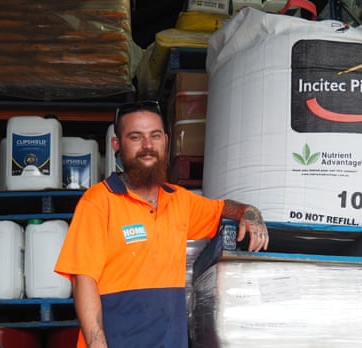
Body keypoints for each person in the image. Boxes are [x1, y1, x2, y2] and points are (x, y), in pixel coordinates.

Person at [54, 100, 269, 348]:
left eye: (155, 136)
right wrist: (97, 343)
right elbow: (84, 279)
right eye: (136, 137)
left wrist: (249, 212)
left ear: (166, 140)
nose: (148, 146)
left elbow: (223, 208)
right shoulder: (99, 202)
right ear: (117, 144)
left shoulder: (180, 200)